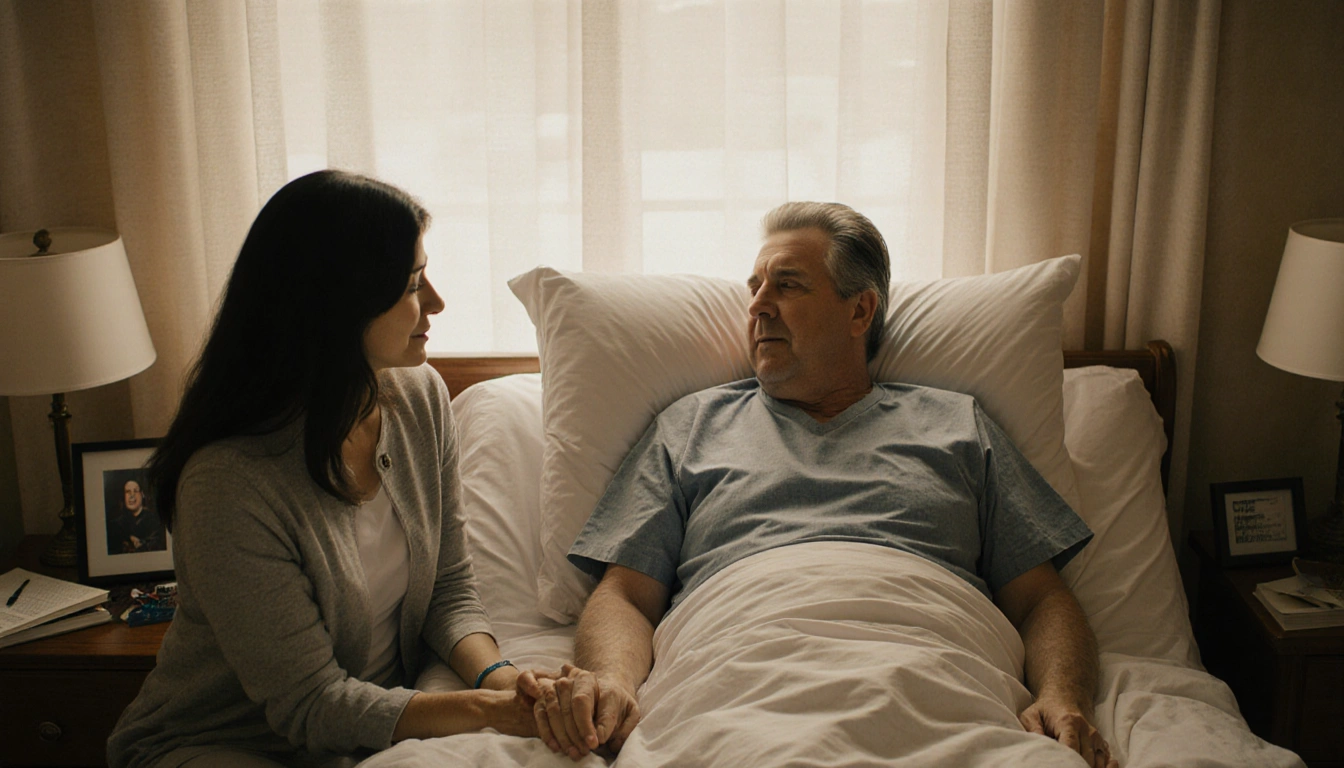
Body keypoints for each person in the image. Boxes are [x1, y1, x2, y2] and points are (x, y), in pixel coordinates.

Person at [523, 202, 1119, 768]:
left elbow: (1043, 598)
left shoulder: (958, 425)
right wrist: (612, 680)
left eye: (787, 285)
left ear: (860, 311)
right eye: (753, 287)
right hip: (738, 665)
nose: (758, 306)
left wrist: (1063, 696)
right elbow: (624, 593)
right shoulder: (690, 426)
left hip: (932, 664)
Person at [108, 170, 537, 768]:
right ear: (339, 305)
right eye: (413, 283)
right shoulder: (230, 484)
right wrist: (487, 712)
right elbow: (310, 704)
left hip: (363, 731)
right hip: (223, 744)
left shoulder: (419, 398)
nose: (436, 301)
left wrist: (500, 678)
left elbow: (448, 588)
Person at [113, 478, 164, 554]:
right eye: (128, 492)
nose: (132, 495)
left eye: (135, 491)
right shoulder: (117, 524)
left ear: (142, 494)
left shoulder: (155, 521)